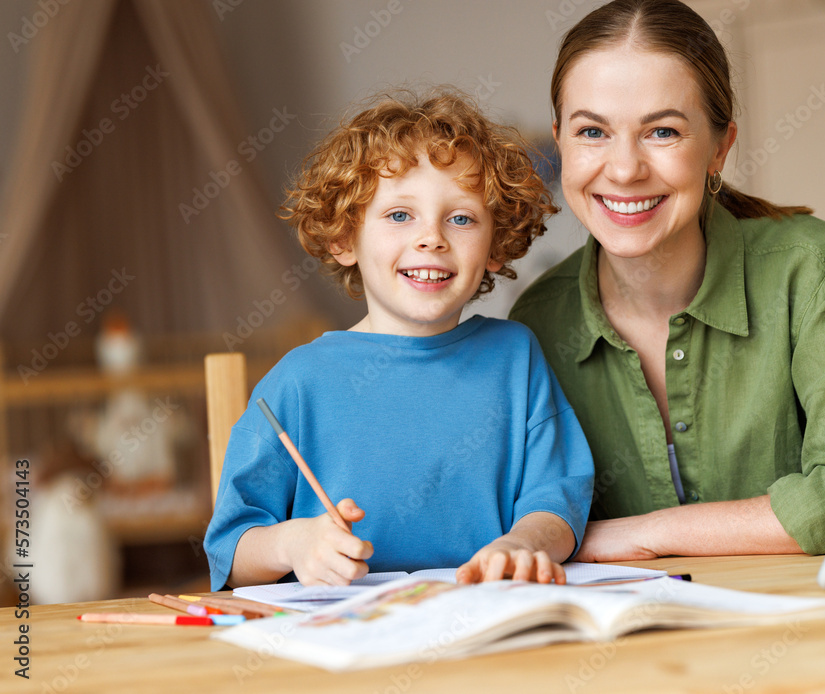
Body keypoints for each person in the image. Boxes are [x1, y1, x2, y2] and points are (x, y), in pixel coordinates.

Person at [510, 0, 825, 561]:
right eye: (592, 131)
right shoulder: (536, 324)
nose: (623, 169)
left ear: (720, 147)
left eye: (663, 131)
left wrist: (642, 533)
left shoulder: (814, 272)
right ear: (561, 140)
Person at [204, 91, 594, 591]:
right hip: (340, 642)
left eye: (461, 218)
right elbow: (229, 552)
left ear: (495, 247)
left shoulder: (516, 358)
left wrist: (521, 544)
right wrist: (295, 544)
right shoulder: (299, 382)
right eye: (399, 215)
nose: (432, 237)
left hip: (485, 625)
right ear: (344, 239)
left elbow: (556, 503)